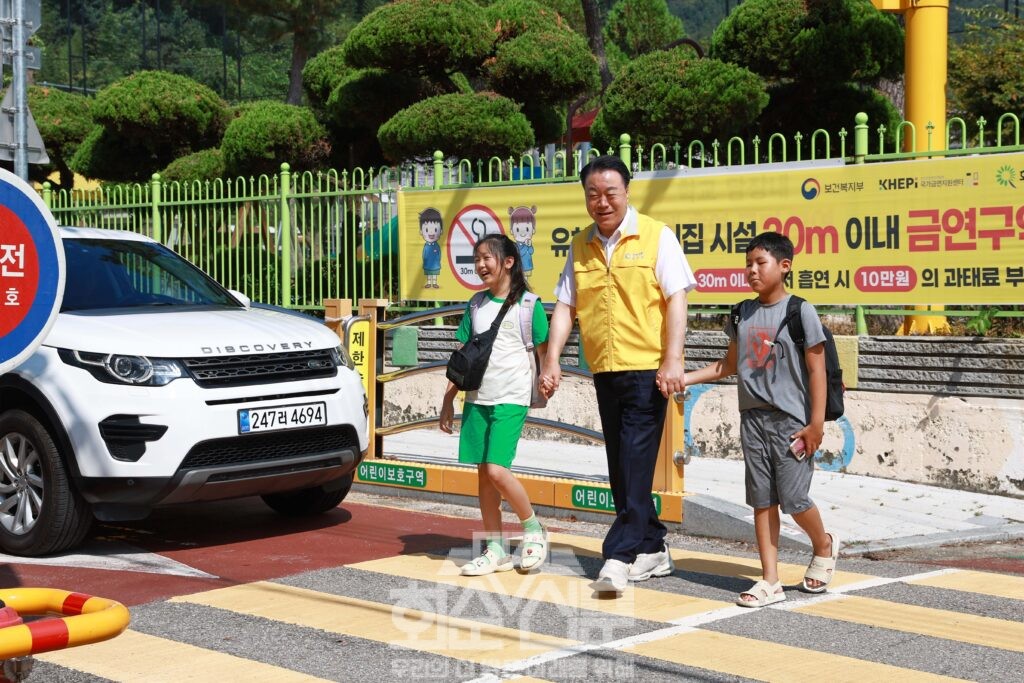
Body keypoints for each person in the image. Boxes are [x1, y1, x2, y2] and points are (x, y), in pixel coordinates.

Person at [539, 155, 696, 593]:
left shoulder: (656, 236)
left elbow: (677, 300)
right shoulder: (581, 245)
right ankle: (653, 544)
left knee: (634, 461)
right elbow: (566, 308)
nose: (602, 202)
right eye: (593, 194)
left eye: (610, 193)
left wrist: (673, 359)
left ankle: (619, 555)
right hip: (605, 370)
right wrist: (551, 360)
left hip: (648, 370)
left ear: (627, 192)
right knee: (622, 468)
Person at [683, 232, 839, 608]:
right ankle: (770, 579)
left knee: (795, 499)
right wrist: (683, 378)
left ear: (784, 266)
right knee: (762, 500)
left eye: (760, 263)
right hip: (751, 419)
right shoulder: (741, 312)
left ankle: (824, 544)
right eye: (748, 264)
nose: (752, 271)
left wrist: (816, 424)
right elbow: (729, 364)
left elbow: (817, 370)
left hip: (792, 423)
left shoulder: (800, 311)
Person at [440, 233, 550, 576]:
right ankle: (496, 548)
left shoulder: (530, 306)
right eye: (477, 259)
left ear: (508, 262)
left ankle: (533, 529)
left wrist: (548, 379)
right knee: (483, 478)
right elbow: (462, 359)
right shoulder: (474, 305)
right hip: (477, 398)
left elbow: (545, 356)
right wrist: (448, 400)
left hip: (511, 398)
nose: (480, 265)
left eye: (487, 258)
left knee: (496, 470)